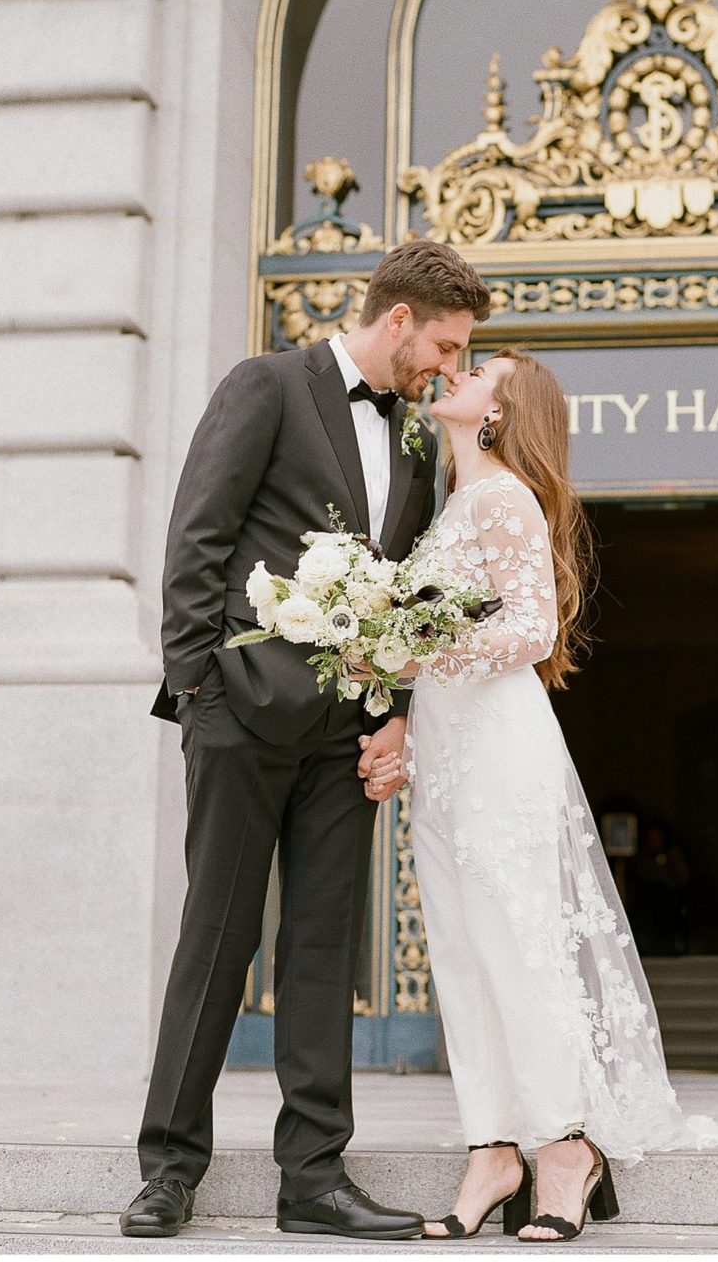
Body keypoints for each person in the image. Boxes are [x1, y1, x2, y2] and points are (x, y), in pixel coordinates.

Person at [121, 240, 491, 1241]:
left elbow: (408, 591)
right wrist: (200, 693)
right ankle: (167, 1165)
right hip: (239, 718)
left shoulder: (417, 442)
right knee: (219, 938)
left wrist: (394, 716)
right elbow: (196, 540)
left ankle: (313, 1175)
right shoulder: (266, 386)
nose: (449, 369)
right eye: (445, 345)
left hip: (346, 738)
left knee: (324, 949)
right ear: (400, 319)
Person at [361, 349, 718, 1244]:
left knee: (519, 940)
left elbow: (531, 630)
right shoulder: (452, 501)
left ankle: (565, 1145)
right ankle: (492, 1147)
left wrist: (418, 653)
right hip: (446, 754)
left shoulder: (503, 496)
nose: (456, 374)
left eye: (478, 371)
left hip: (499, 749)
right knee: (461, 943)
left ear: (499, 411)